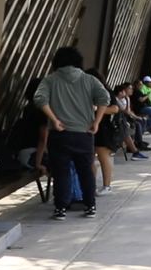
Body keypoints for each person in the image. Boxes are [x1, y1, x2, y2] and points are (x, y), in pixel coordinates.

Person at [33, 47, 110, 220]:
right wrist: (96, 122)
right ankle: (90, 205)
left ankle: (60, 208)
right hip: (84, 133)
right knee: (86, 172)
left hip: (59, 134)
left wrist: (54, 119)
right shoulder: (89, 80)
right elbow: (105, 98)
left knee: (61, 172)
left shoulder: (50, 80)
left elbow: (39, 99)